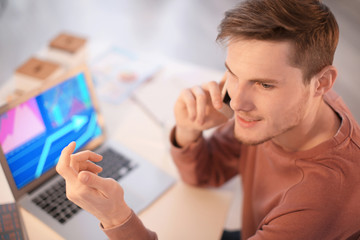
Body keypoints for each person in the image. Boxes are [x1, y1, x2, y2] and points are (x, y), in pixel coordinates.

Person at [56, 0, 360, 239]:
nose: (237, 102)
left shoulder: (320, 201)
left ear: (321, 83)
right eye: (233, 73)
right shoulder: (284, 115)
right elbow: (206, 173)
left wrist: (116, 219)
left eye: (265, 84)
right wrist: (188, 131)